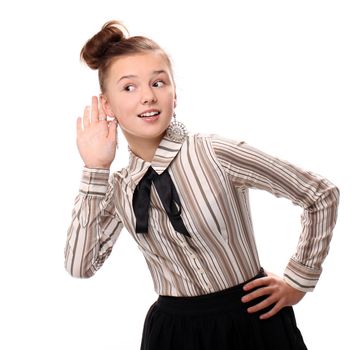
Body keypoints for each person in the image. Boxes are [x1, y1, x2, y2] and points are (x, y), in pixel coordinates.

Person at [64, 20, 340, 350]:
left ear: (174, 94)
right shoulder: (122, 187)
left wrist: (299, 280)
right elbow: (81, 266)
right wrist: (95, 169)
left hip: (252, 321)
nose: (148, 97)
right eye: (129, 87)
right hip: (173, 335)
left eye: (158, 82)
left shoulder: (214, 153)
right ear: (106, 105)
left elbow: (320, 194)